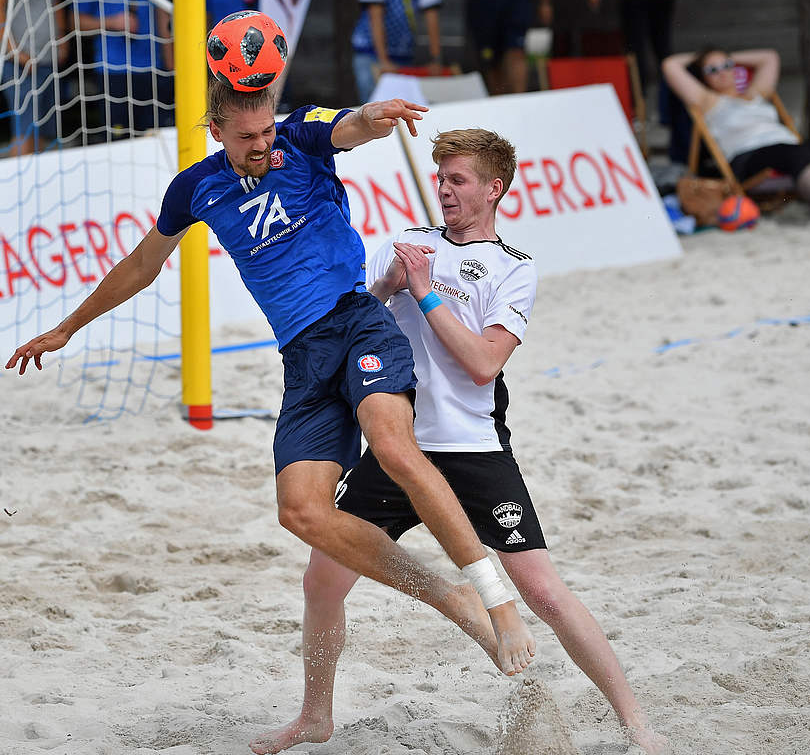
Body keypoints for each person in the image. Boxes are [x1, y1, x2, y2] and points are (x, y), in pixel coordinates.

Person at [8, 80, 538, 708]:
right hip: (303, 357)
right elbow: (142, 265)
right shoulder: (196, 187)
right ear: (217, 134)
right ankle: (449, 597)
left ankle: (498, 603)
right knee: (301, 513)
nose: (261, 145)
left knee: (395, 448)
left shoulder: (299, 137)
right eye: (246, 137)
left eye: (265, 132)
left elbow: (352, 125)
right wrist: (66, 329)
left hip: (358, 320)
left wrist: (378, 114)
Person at [250, 128, 669, 755]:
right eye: (440, 178)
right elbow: (357, 318)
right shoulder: (412, 245)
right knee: (321, 582)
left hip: (473, 451)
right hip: (399, 449)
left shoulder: (515, 269)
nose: (444, 190)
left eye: (458, 180)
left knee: (545, 594)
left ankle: (638, 725)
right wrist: (389, 286)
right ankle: (316, 716)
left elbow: (482, 363)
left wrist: (423, 290)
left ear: (494, 189)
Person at [662, 47, 810, 224]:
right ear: (703, 77)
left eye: (727, 66)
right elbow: (670, 65)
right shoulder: (707, 101)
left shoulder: (754, 93)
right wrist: (702, 58)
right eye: (712, 70)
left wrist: (726, 55)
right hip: (748, 156)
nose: (722, 72)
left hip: (787, 146)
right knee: (796, 153)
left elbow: (769, 56)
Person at [0, 0, 72, 155]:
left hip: (48, 59)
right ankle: (18, 178)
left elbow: (55, 3)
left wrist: (62, 39)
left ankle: (35, 177)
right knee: (25, 131)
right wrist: (15, 52)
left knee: (43, 130)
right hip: (22, 64)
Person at [73, 0, 174, 131]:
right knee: (118, 140)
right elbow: (74, 21)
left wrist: (171, 65)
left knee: (156, 137)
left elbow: (164, 16)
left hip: (155, 70)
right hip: (113, 71)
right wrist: (111, 22)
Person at [351, 0, 446, 103]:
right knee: (373, 106)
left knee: (406, 107)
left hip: (404, 55)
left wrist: (436, 60)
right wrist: (383, 61)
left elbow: (432, 19)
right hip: (370, 54)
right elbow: (375, 17)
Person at [465, 0, 549, 95]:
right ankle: (498, 104)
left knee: (516, 51)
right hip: (482, 1)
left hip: (515, 0)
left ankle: (518, 101)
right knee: (491, 61)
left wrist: (545, 1)